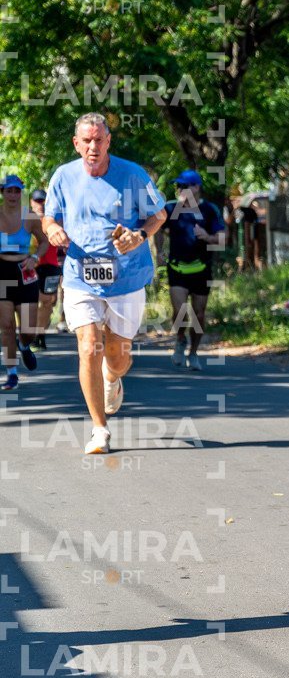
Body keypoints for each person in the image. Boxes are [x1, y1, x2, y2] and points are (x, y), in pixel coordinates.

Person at [41, 113, 167, 455]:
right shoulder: (63, 177)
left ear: (108, 140)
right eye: (87, 141)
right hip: (80, 276)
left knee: (116, 357)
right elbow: (49, 216)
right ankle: (100, 430)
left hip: (126, 277)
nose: (93, 147)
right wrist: (52, 229)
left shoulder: (132, 174)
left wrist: (139, 235)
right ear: (76, 144)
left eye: (99, 140)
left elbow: (159, 214)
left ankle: (112, 378)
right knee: (88, 346)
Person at [156, 169, 225, 372]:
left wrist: (207, 236)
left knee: (199, 314)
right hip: (177, 268)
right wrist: (159, 251)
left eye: (184, 186)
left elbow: (223, 239)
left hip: (201, 269)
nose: (179, 190)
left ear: (196, 188)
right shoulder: (170, 208)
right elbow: (157, 228)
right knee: (180, 311)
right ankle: (179, 339)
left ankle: (193, 352)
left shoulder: (209, 210)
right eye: (178, 186)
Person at [0, 174, 47, 391]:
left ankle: (25, 344)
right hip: (2, 272)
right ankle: (11, 373)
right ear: (3, 192)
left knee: (28, 329)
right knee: (7, 325)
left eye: (16, 190)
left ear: (21, 193)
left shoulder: (29, 217)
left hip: (24, 272)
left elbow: (44, 242)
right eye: (8, 190)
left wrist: (35, 257)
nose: (12, 194)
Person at [29, 188, 64, 349]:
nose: (40, 205)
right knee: (32, 301)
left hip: (51, 266)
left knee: (48, 302)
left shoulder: (54, 219)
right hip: (30, 267)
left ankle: (39, 334)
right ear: (31, 202)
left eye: (43, 201)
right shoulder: (26, 220)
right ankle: (31, 334)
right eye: (37, 201)